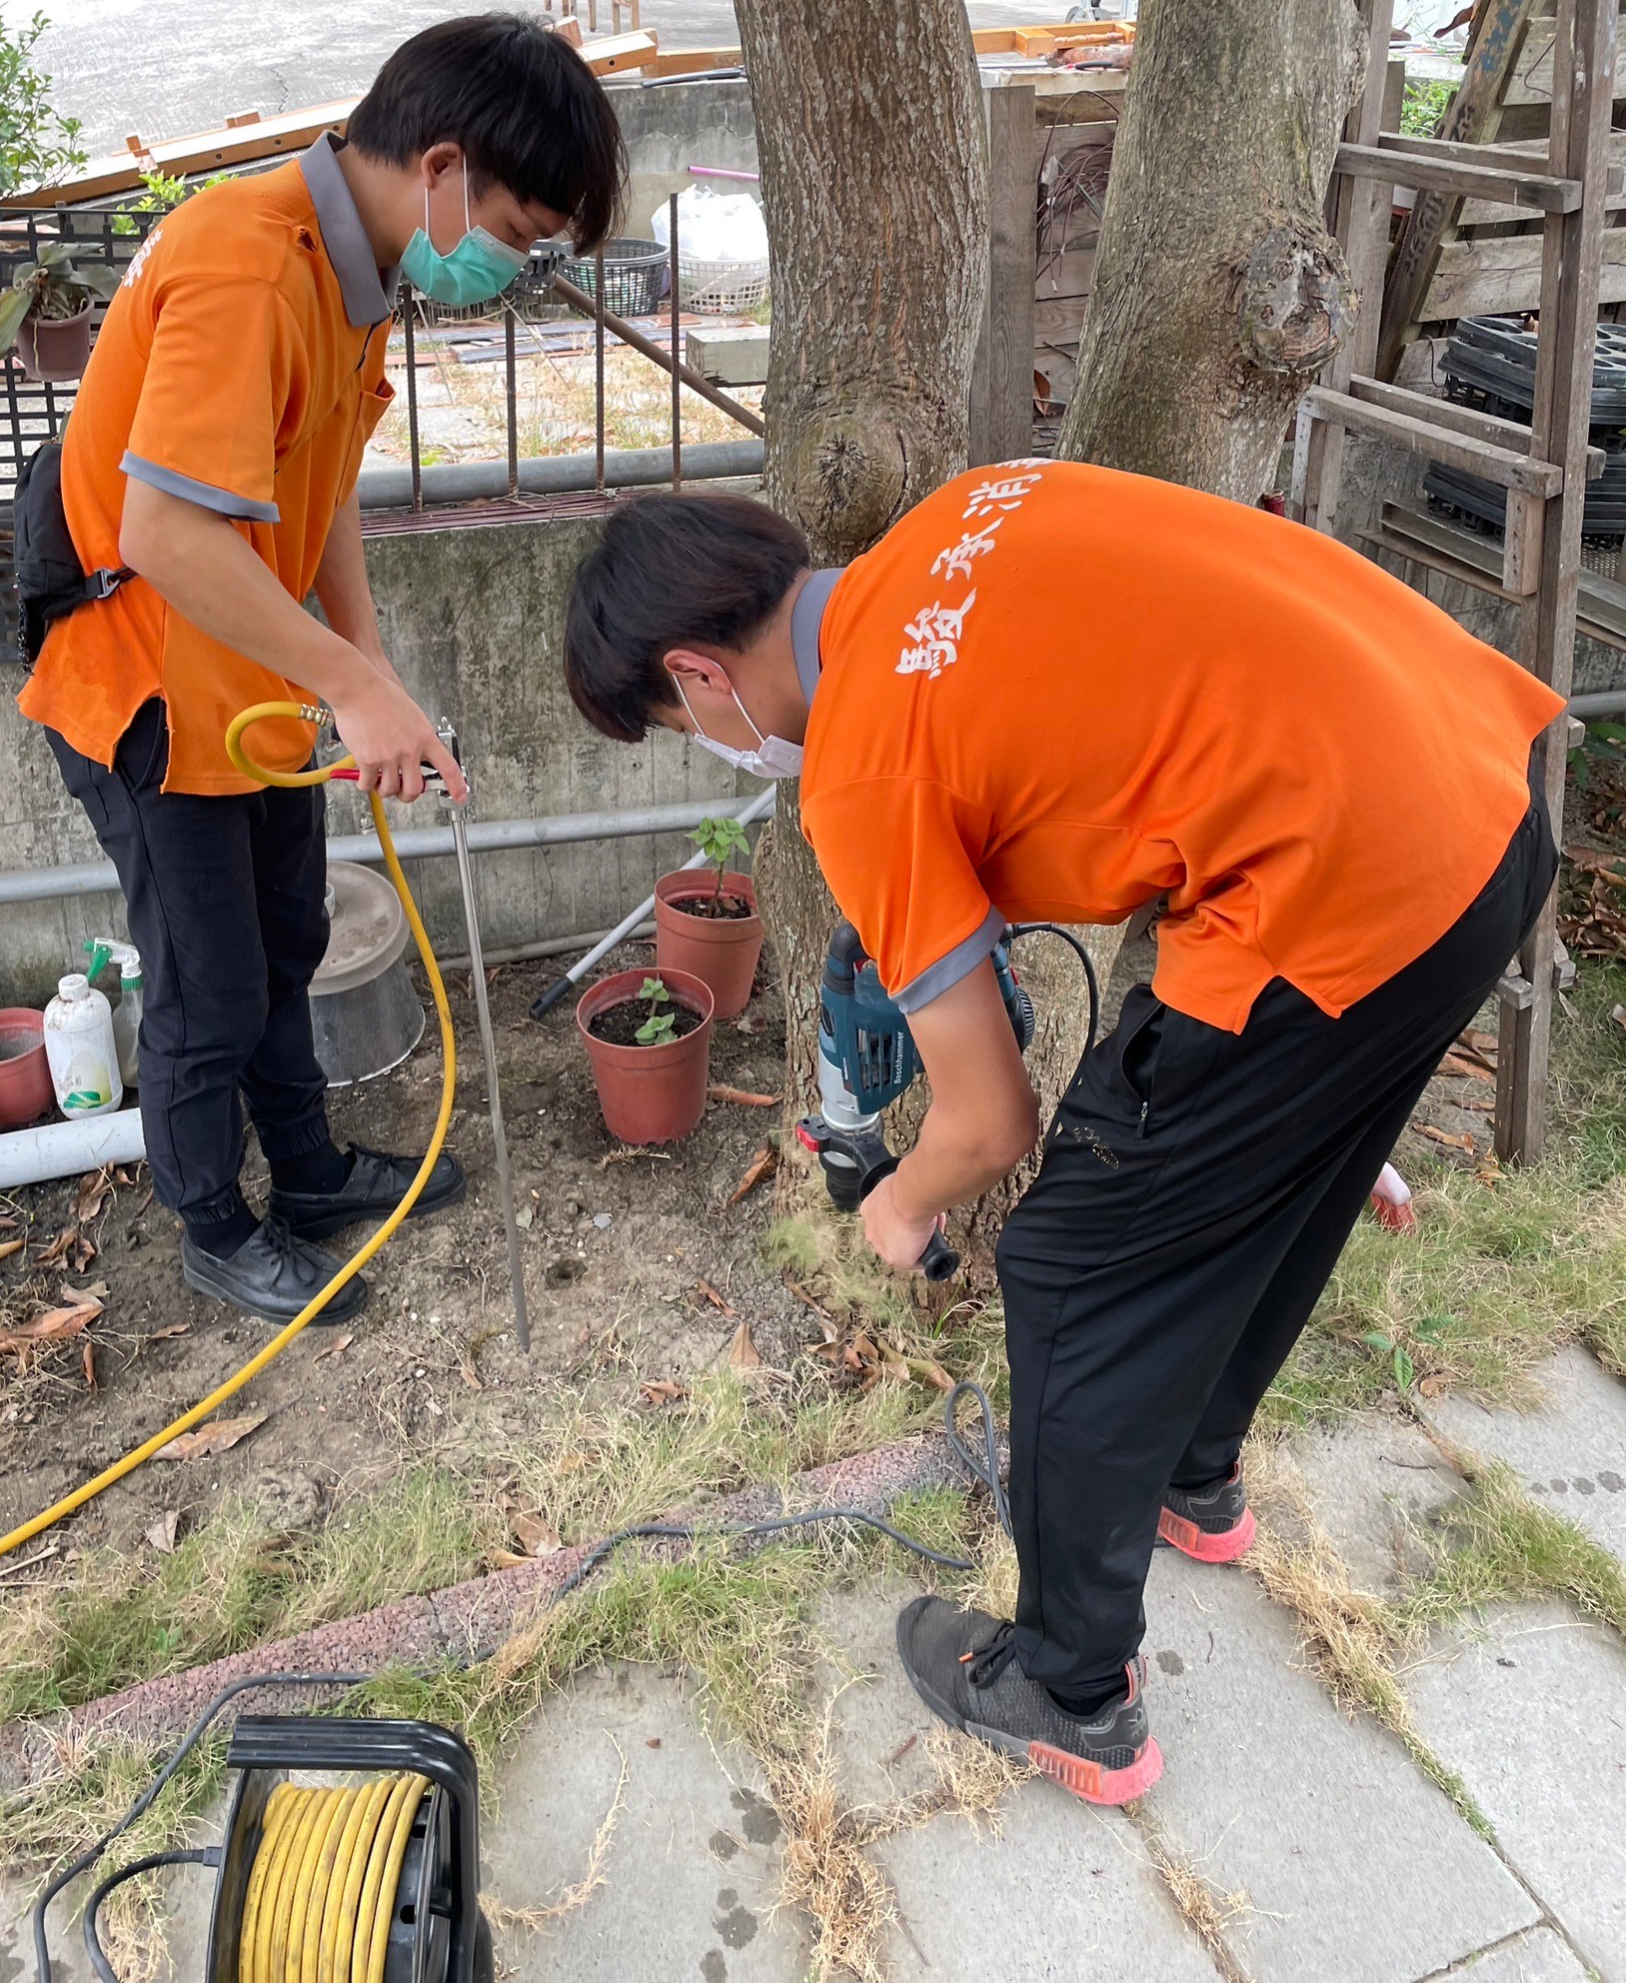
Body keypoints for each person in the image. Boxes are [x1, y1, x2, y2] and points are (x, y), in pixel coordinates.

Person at [561, 461, 1561, 1803]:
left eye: (678, 723)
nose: (709, 742)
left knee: (1066, 1265)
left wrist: (899, 1203)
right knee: (1274, 1177)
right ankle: (1192, 1478)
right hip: (1477, 797)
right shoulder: (965, 508)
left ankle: (1071, 1688)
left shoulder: (861, 766)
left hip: (1344, 884)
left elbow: (989, 1121)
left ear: (694, 674)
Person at [21, 14, 624, 1324]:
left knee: (287, 941)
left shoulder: (345, 274)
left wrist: (366, 668)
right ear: (444, 167)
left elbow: (323, 483)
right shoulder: (247, 263)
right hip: (148, 688)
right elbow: (164, 532)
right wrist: (351, 687)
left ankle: (308, 1175)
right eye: (516, 232)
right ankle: (214, 1228)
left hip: (249, 678)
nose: (511, 265)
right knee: (209, 989)